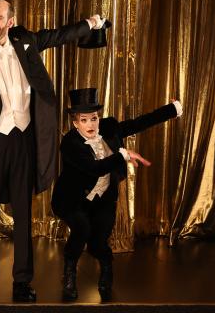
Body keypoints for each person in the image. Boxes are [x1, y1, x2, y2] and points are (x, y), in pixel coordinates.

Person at [0, 0, 106, 302]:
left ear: (10, 21)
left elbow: (58, 36)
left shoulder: (26, 42)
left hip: (23, 139)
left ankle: (22, 281)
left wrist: (90, 25)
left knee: (23, 213)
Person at [51, 88, 182, 302]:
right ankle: (69, 273)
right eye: (84, 120)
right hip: (73, 200)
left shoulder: (109, 128)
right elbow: (95, 168)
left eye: (94, 118)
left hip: (103, 200)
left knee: (98, 244)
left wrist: (172, 110)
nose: (91, 124)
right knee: (81, 229)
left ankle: (106, 267)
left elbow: (138, 123)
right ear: (75, 123)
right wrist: (123, 155)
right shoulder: (69, 144)